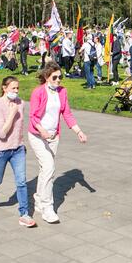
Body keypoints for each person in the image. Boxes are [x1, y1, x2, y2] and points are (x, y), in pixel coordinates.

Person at [27, 62, 88, 223]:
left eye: (60, 77)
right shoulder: (38, 92)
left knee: (45, 170)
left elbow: (67, 113)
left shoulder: (62, 92)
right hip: (37, 135)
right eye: (55, 77)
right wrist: (42, 131)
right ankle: (48, 207)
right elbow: (33, 116)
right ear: (47, 77)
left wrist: (78, 131)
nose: (58, 80)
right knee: (49, 168)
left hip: (54, 136)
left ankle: (39, 199)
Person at [0, 76, 36, 228]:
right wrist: (11, 114)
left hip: (17, 149)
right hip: (0, 149)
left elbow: (19, 128)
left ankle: (24, 214)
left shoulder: (21, 103)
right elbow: (2, 133)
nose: (16, 91)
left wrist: (22, 144)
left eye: (18, 88)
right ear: (4, 88)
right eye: (13, 88)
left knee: (21, 182)